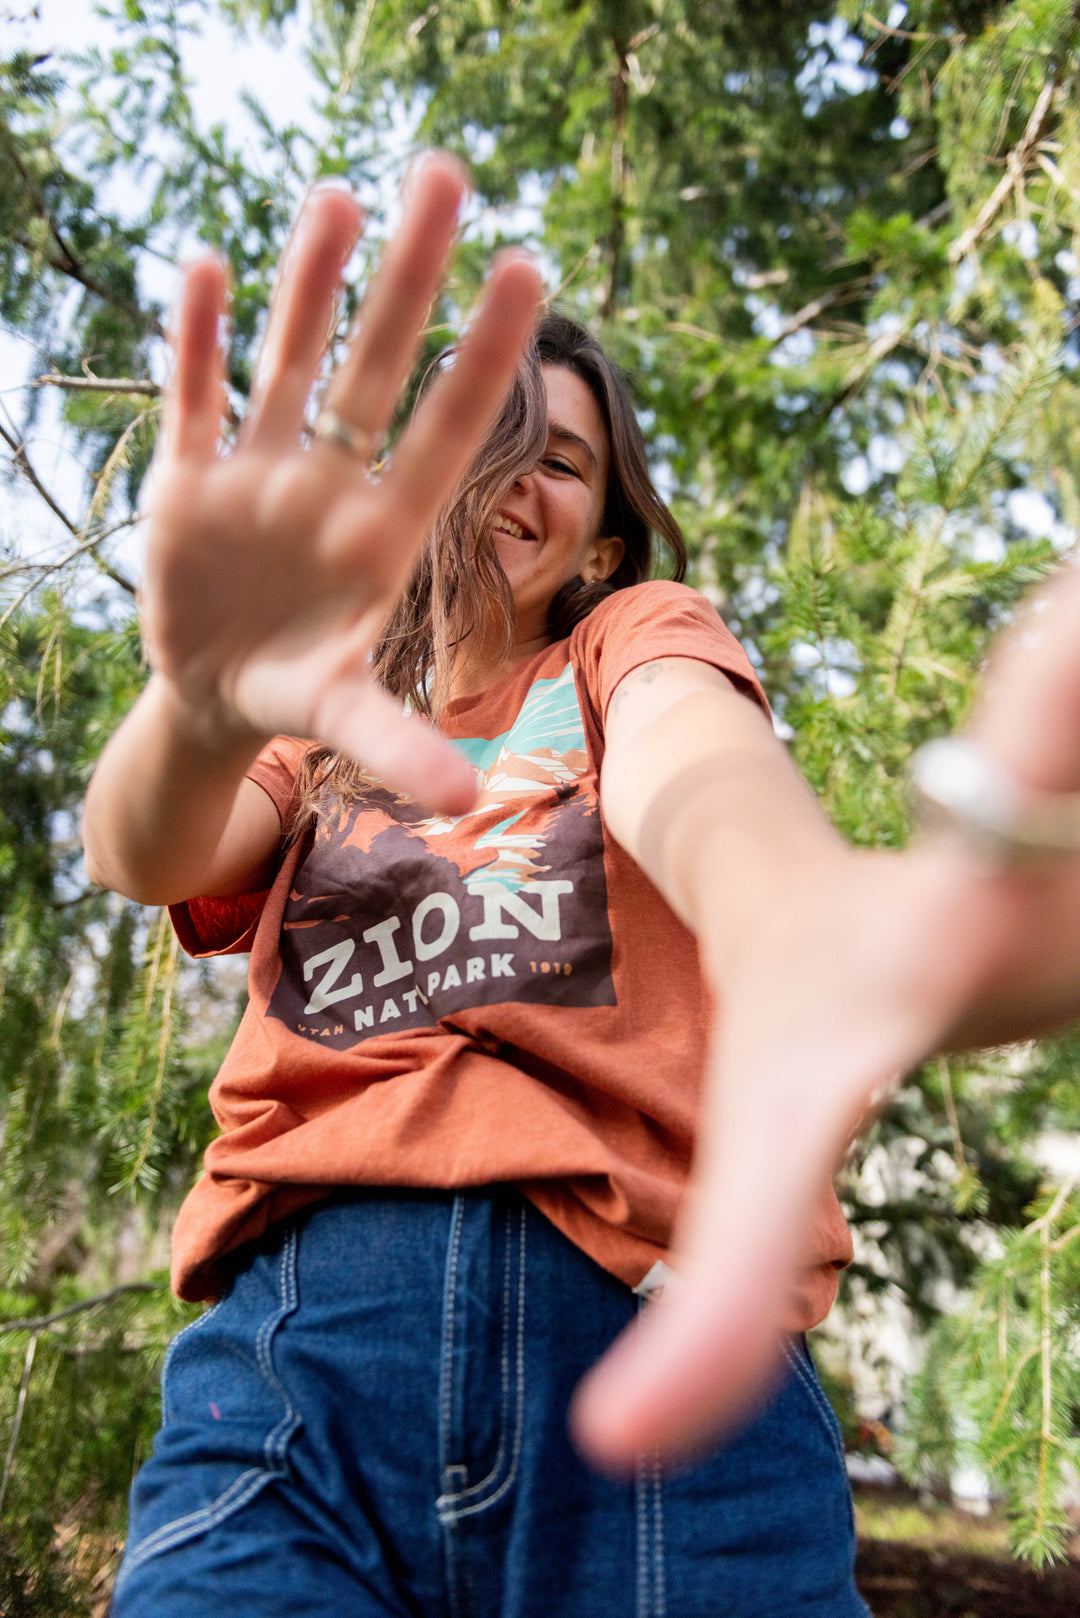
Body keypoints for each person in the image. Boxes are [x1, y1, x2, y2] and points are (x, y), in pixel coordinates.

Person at [84, 150, 1080, 1614]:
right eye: (486, 442)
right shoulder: (321, 714)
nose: (514, 479)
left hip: (653, 1352)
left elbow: (700, 764)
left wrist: (790, 912)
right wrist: (200, 699)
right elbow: (145, 847)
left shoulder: (624, 645)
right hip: (303, 1380)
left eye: (558, 456)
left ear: (599, 536)